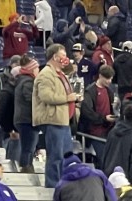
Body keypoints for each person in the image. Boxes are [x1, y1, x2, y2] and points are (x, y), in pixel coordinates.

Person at [33, 44, 78, 187]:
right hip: (53, 120)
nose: (66, 58)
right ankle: (53, 186)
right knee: (56, 156)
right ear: (55, 57)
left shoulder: (60, 73)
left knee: (66, 155)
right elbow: (46, 96)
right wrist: (68, 98)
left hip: (63, 120)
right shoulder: (46, 74)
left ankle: (64, 184)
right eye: (63, 55)